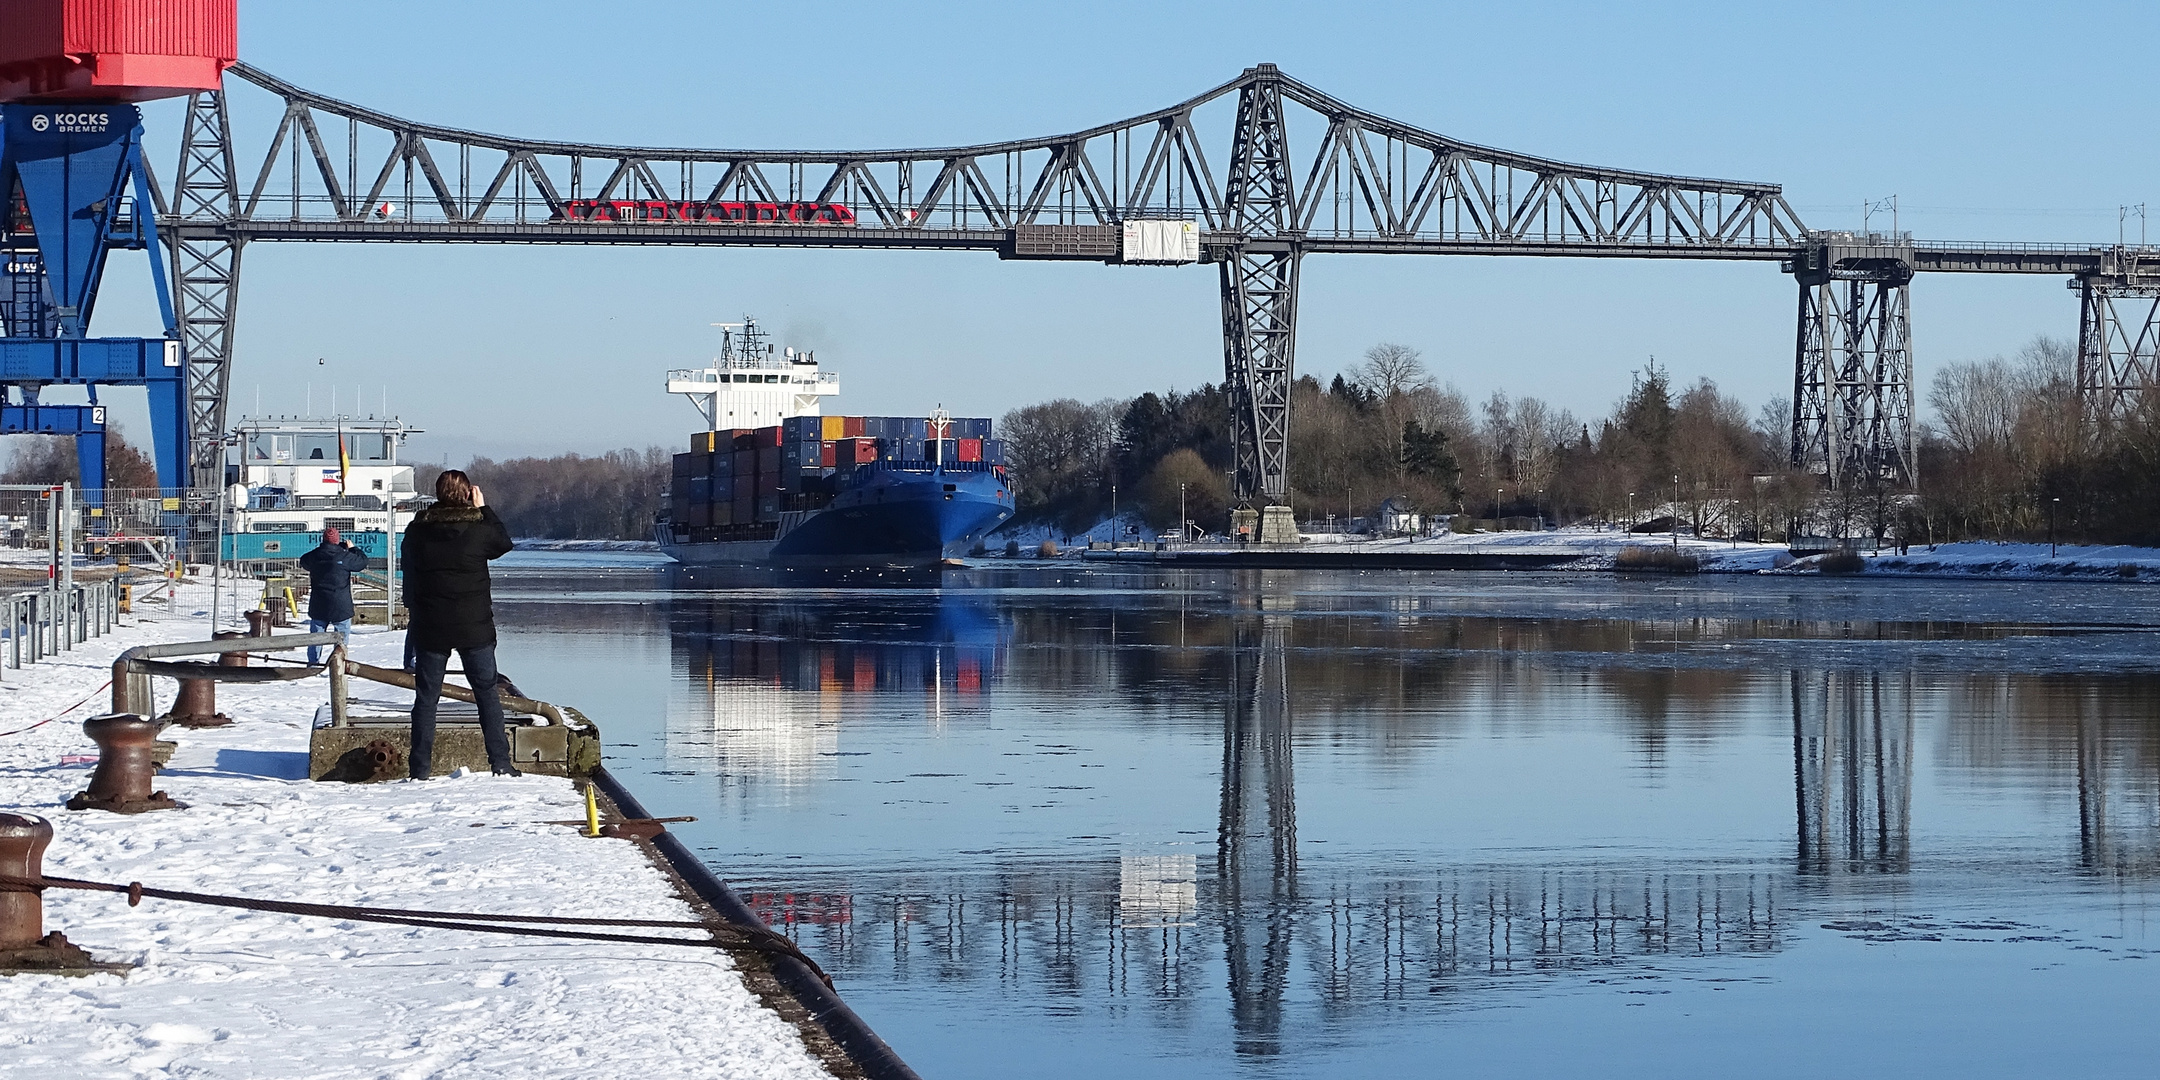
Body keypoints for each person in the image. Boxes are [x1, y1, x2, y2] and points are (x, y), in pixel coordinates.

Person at [400, 469, 517, 778]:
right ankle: (501, 763)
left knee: (427, 698)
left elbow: (408, 571)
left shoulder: (417, 530)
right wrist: (483, 509)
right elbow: (504, 543)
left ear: (438, 495)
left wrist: (413, 607)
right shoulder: (478, 528)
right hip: (474, 624)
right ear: (467, 494)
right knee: (486, 693)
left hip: (431, 624)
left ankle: (420, 769)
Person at [297, 526, 369, 666]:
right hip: (341, 604)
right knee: (341, 638)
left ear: (323, 540)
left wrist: (320, 550)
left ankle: (313, 664)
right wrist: (353, 548)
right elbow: (362, 562)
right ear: (337, 540)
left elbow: (304, 560)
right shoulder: (344, 556)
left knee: (316, 637)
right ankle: (339, 663)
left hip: (319, 603)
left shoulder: (315, 555)